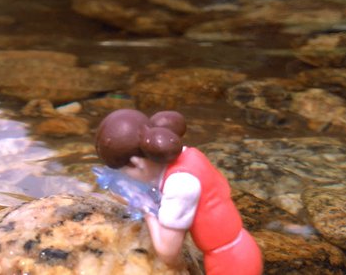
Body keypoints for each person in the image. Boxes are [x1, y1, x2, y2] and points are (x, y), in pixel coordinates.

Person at [95, 109, 262, 275]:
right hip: (241, 250)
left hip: (230, 264)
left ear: (137, 163)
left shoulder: (180, 185)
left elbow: (168, 253)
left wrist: (145, 208)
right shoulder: (188, 154)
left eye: (123, 173)